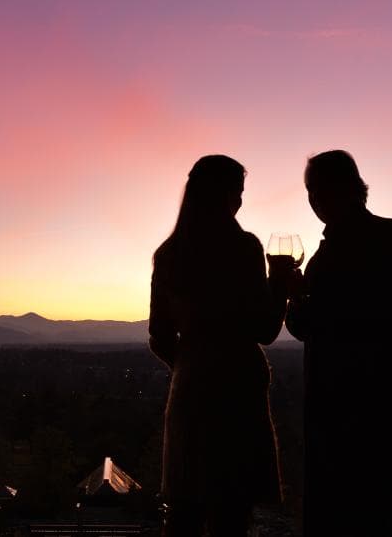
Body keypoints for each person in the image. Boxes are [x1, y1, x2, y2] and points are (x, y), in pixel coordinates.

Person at [286, 150, 392, 537]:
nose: (314, 200)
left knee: (337, 515)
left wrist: (295, 298)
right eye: (311, 192)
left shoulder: (327, 258)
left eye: (316, 190)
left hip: (334, 416)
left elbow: (305, 326)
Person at [149, 154, 292, 537]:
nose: (240, 202)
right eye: (238, 192)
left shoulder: (167, 256)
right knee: (230, 515)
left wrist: (190, 366)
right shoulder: (242, 248)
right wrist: (279, 286)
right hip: (237, 393)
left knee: (183, 514)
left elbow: (159, 336)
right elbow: (264, 329)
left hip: (189, 393)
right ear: (225, 194)